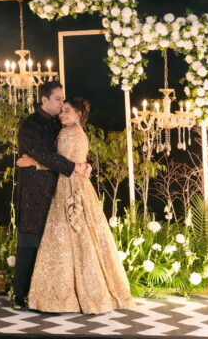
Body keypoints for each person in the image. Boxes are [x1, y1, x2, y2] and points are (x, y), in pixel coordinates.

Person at [17, 97, 135, 314]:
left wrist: (34, 163)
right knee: (74, 238)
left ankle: (66, 297)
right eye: (62, 110)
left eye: (67, 111)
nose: (62, 114)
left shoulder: (71, 134)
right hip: (72, 185)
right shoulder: (72, 131)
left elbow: (61, 163)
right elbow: (68, 162)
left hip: (70, 187)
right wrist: (79, 166)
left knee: (68, 237)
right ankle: (72, 294)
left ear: (78, 114)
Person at [11, 81, 92, 310]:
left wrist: (84, 165)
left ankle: (52, 294)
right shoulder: (30, 124)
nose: (61, 103)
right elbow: (43, 154)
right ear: (44, 99)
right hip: (35, 191)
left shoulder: (61, 123)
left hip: (60, 190)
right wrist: (73, 166)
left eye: (63, 99)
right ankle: (19, 293)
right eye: (58, 99)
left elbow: (71, 151)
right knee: (30, 241)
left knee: (56, 245)